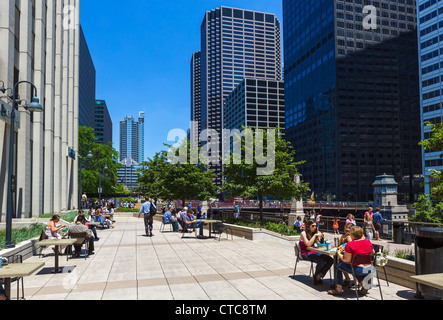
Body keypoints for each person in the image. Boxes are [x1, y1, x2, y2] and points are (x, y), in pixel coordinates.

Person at [328, 226, 375, 296]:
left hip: (358, 269)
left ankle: (339, 289)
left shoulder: (350, 244)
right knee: (354, 267)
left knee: (337, 265)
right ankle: (363, 283)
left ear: (352, 235)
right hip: (369, 268)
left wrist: (339, 253)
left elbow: (346, 260)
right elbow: (373, 253)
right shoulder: (368, 242)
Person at [299, 220, 334, 285]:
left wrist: (320, 238)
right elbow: (308, 244)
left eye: (315, 226)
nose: (314, 227)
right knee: (321, 261)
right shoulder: (303, 233)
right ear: (308, 226)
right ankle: (316, 276)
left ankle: (319, 276)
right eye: (313, 226)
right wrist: (315, 235)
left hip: (314, 251)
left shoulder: (314, 233)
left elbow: (318, 244)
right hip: (305, 253)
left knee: (331, 260)